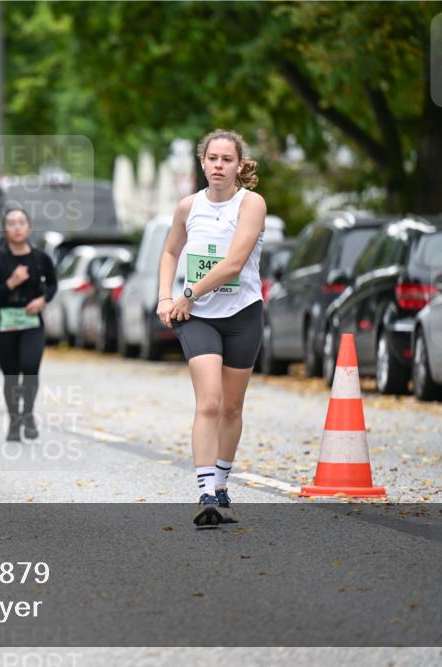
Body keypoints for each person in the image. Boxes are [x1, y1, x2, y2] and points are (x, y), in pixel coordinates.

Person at [156, 129, 267, 528]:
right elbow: (170, 251)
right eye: (213, 158)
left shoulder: (251, 204)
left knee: (232, 407)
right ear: (202, 163)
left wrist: (188, 292)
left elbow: (234, 264)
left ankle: (221, 486)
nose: (219, 166)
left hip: (242, 314)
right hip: (198, 317)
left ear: (239, 165)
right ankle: (205, 492)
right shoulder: (188, 206)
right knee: (209, 402)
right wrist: (166, 297)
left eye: (227, 159)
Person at [0, 208, 57, 442]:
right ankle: (14, 421)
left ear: (29, 227)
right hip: (4, 323)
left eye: (21, 222)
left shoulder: (41, 259)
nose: (17, 227)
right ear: (5, 229)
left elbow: (53, 285)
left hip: (31, 322)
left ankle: (28, 414)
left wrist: (43, 300)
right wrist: (11, 282)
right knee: (11, 375)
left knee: (30, 366)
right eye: (12, 223)